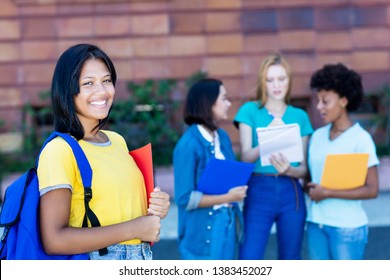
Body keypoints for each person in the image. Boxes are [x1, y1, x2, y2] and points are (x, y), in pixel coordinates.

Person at [37, 43, 170, 260]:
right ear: (67, 90)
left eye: (106, 81)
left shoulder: (117, 141)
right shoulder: (59, 151)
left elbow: (121, 210)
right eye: (88, 83)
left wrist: (155, 209)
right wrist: (135, 229)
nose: (102, 91)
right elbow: (54, 240)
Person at [233, 53, 313, 260]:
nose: (276, 85)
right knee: (248, 259)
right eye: (270, 80)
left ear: (289, 80)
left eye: (281, 79)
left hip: (291, 191)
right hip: (259, 190)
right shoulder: (249, 111)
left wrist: (290, 170)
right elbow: (245, 157)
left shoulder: (300, 116)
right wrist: (269, 138)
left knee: (290, 259)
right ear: (263, 82)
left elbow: (304, 168)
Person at [307, 63, 379, 260]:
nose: (319, 107)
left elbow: (371, 190)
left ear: (344, 100)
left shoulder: (360, 139)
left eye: (325, 101)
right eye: (318, 101)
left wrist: (327, 192)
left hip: (347, 229)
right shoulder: (317, 136)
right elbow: (311, 180)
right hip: (316, 225)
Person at [173, 78, 248, 260]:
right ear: (208, 103)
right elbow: (184, 198)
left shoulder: (222, 137)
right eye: (224, 98)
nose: (228, 103)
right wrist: (228, 197)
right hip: (202, 230)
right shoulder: (188, 145)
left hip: (227, 222)